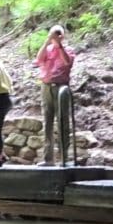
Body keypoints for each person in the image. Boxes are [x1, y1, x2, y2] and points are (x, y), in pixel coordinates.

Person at [35, 23, 75, 165]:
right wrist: (47, 41)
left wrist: (59, 46)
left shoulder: (68, 50)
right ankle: (48, 158)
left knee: (63, 122)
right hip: (46, 87)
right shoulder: (47, 49)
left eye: (58, 34)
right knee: (47, 123)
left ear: (63, 36)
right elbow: (39, 60)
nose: (55, 36)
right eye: (54, 33)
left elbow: (67, 63)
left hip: (61, 88)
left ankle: (64, 157)